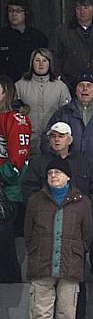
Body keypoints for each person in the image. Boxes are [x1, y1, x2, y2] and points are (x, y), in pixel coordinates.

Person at [25, 158, 93, 319]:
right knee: (40, 316)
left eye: (58, 172)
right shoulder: (35, 201)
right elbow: (28, 233)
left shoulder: (82, 202)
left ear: (68, 177)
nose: (53, 175)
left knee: (67, 316)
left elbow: (87, 235)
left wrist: (76, 252)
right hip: (41, 266)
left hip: (70, 266)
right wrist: (37, 251)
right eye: (50, 173)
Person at [23, 122, 93, 220]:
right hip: (46, 220)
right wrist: (44, 210)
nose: (56, 139)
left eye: (61, 136)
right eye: (53, 136)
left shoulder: (86, 163)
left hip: (78, 220)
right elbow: (29, 191)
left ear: (70, 140)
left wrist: (83, 210)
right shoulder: (38, 163)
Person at [43, 71, 93, 168]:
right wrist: (60, 161)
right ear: (76, 91)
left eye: (89, 85)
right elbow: (46, 139)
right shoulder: (62, 113)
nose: (85, 89)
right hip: (67, 170)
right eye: (81, 85)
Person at [0, 75, 32, 283]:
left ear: (6, 93)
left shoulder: (15, 118)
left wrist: (6, 175)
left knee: (4, 234)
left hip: (7, 189)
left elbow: (18, 157)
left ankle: (9, 279)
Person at [15, 48, 70, 155]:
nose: (41, 64)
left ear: (50, 63)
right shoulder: (19, 86)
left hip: (52, 143)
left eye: (45, 60)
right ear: (32, 63)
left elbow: (67, 115)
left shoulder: (61, 87)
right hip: (26, 143)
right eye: (37, 60)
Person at [0, 0, 48, 81]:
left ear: (26, 13)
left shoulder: (38, 37)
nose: (14, 14)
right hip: (5, 86)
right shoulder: (2, 35)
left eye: (18, 11)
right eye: (10, 10)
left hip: (31, 84)